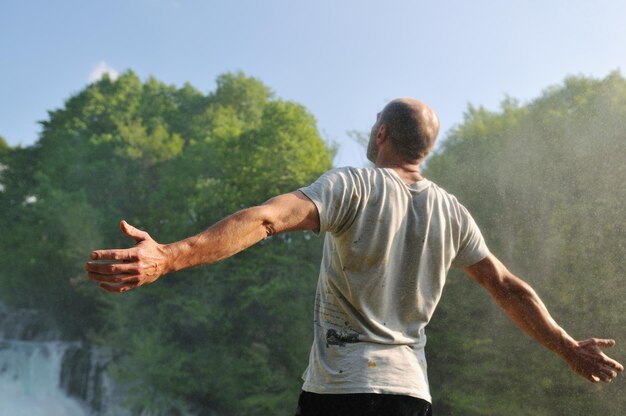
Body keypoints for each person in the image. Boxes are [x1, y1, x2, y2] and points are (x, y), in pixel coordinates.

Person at [85, 98, 623, 416]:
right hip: (411, 395)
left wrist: (170, 257)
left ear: (382, 133)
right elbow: (508, 287)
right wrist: (567, 347)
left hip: (342, 391)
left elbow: (267, 218)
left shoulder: (352, 185)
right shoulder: (453, 212)